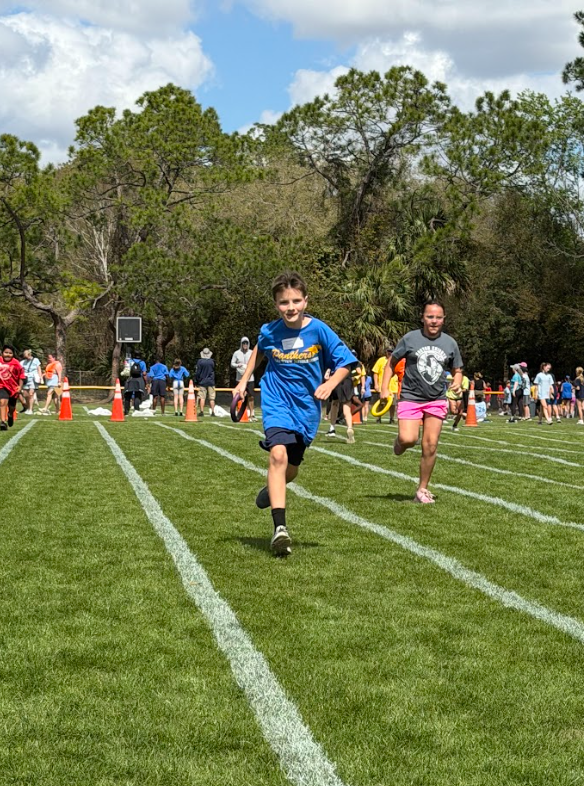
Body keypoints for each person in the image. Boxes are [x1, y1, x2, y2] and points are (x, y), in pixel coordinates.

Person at [233, 271, 356, 556]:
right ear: (276, 304)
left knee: (291, 468)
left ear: (306, 301)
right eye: (284, 302)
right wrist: (243, 381)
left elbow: (346, 363)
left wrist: (329, 384)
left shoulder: (320, 330)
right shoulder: (269, 331)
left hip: (307, 408)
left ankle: (270, 489)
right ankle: (280, 528)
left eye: (296, 301)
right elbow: (259, 351)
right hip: (276, 400)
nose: (291, 308)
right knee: (277, 454)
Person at [381, 300, 463, 504]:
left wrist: (458, 382)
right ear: (422, 318)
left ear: (443, 319)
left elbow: (457, 369)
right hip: (410, 396)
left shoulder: (450, 343)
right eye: (430, 316)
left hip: (436, 399)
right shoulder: (410, 339)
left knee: (430, 445)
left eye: (438, 317)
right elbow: (391, 363)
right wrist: (384, 388)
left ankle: (422, 489)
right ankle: (400, 442)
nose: (434, 321)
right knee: (409, 439)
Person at [231, 337, 257, 421]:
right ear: (241, 344)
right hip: (239, 378)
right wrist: (238, 365)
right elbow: (232, 364)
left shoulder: (252, 352)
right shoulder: (236, 353)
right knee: (239, 396)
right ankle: (239, 412)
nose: (245, 345)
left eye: (246, 343)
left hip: (250, 378)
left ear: (248, 344)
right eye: (243, 343)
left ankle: (252, 414)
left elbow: (255, 362)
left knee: (251, 396)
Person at [0, 344, 25, 430]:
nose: (7, 354)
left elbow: (21, 376)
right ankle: (3, 422)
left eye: (10, 353)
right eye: (6, 352)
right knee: (2, 402)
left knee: (12, 407)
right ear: (2, 353)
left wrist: (20, 386)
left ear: (13, 354)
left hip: (13, 388)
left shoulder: (16, 363)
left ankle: (10, 415)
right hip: (2, 386)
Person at [372, 345, 397, 423]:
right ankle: (378, 418)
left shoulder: (396, 360)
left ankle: (391, 418)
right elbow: (375, 372)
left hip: (393, 387)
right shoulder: (381, 360)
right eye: (388, 351)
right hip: (382, 386)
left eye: (391, 352)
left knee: (393, 404)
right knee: (381, 403)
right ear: (386, 352)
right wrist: (376, 384)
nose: (390, 353)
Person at [195, 348, 216, 417]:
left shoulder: (200, 361)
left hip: (202, 381)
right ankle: (213, 412)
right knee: (212, 398)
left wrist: (196, 380)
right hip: (211, 381)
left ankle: (201, 411)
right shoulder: (212, 362)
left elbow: (198, 372)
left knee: (202, 397)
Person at [20, 348, 41, 414]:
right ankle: (28, 408)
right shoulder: (23, 362)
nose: (26, 358)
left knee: (31, 393)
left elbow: (39, 369)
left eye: (27, 356)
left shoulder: (36, 360)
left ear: (29, 354)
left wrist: (40, 377)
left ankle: (31, 409)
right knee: (25, 394)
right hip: (26, 379)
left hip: (33, 378)